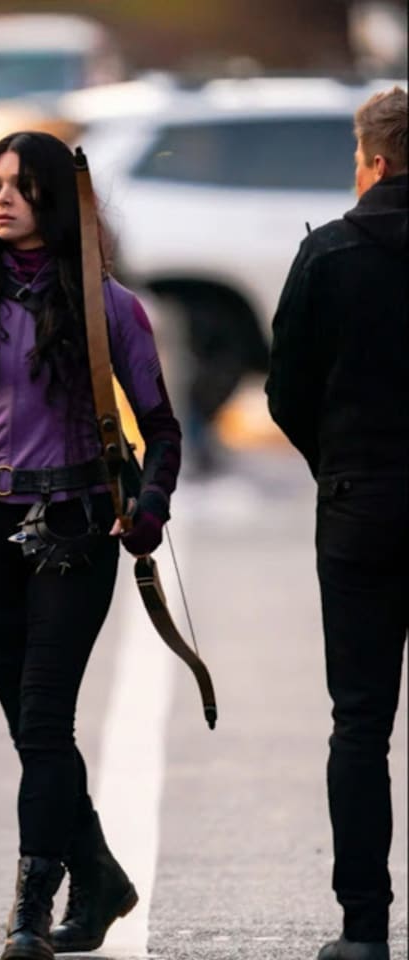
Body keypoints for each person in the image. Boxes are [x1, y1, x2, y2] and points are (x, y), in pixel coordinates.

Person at [0, 131, 181, 960]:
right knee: (33, 733)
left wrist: (151, 505)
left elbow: (162, 428)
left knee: (47, 722)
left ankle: (29, 910)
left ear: (56, 200)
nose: (3, 199)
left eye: (20, 186)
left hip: (76, 527)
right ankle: (100, 880)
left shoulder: (110, 308)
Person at [266, 87, 407, 960]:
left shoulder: (328, 253)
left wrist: (338, 465)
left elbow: (286, 390)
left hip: (362, 505)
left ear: (377, 162)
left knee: (360, 723)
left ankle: (364, 928)